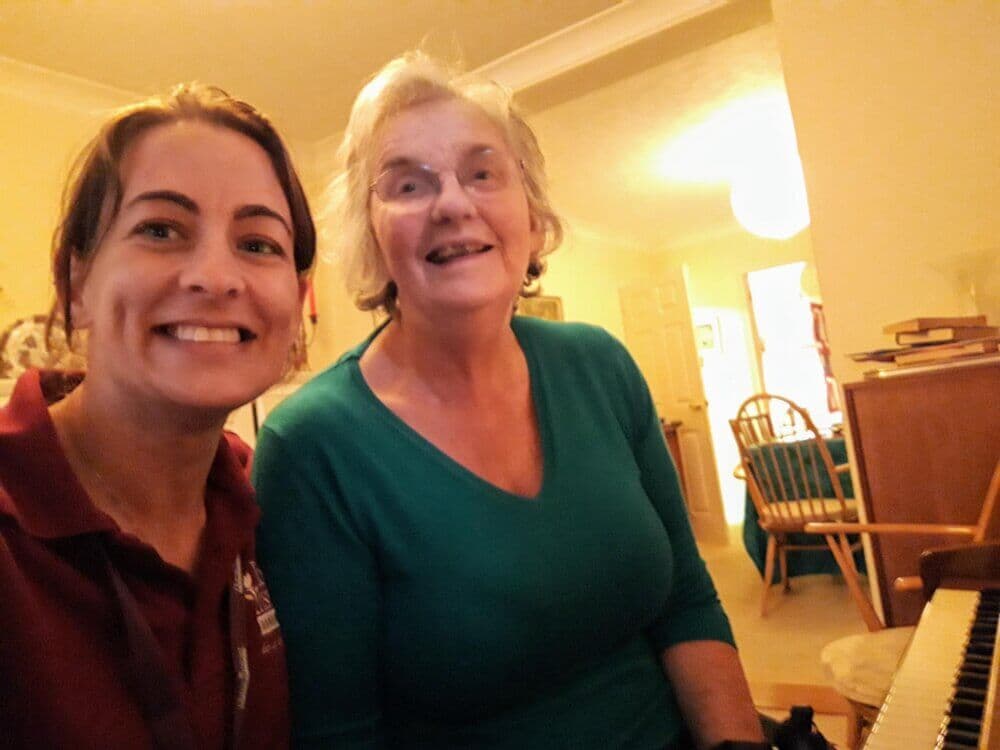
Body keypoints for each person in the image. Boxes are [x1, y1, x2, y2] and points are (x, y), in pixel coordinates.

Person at [253, 52, 765, 750]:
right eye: (408, 184)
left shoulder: (601, 364)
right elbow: (339, 734)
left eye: (482, 173)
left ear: (531, 211)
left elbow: (685, 602)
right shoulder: (312, 445)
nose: (452, 204)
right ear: (370, 233)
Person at [0, 83, 315, 749]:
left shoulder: (267, 502)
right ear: (76, 284)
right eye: (161, 230)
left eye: (258, 243)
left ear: (298, 298)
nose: (215, 277)